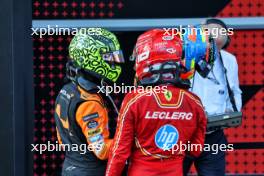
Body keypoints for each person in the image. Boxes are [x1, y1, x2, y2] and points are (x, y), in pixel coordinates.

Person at [105, 29, 208, 176]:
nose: (135, 66)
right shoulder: (194, 102)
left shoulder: (134, 100)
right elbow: (195, 149)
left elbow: (119, 152)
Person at [54, 28, 125, 176]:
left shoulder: (66, 90)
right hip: (90, 171)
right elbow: (102, 151)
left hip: (70, 167)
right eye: (110, 58)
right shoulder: (90, 102)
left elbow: (62, 140)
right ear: (90, 58)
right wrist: (129, 141)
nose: (115, 62)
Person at [183, 18, 242, 176]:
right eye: (211, 44)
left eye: (219, 46)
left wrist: (230, 113)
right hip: (182, 132)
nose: (214, 50)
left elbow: (234, 90)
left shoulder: (229, 60)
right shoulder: (182, 55)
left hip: (213, 134)